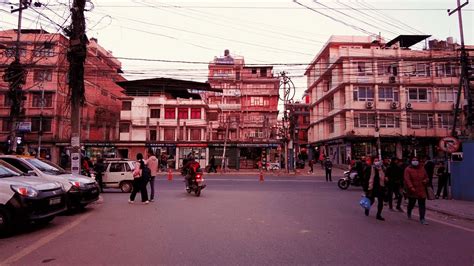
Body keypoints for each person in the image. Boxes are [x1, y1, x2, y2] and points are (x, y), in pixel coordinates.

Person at [404, 157, 429, 225]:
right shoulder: (408, 169)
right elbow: (407, 179)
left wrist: (425, 180)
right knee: (412, 202)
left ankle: (422, 218)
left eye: (416, 160)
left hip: (421, 189)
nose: (415, 161)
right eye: (413, 160)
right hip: (412, 190)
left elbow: (427, 177)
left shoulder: (422, 168)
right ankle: (409, 211)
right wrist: (411, 187)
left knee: (422, 204)